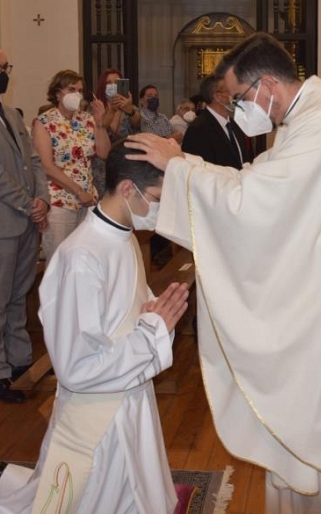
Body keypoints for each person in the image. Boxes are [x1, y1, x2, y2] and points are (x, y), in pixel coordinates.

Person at [126, 32, 321, 513]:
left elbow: (255, 205)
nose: (240, 108)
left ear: (266, 86)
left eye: (240, 97)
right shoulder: (309, 121)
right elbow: (256, 186)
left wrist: (178, 168)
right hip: (319, 292)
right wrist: (186, 167)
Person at [0, 142, 189, 513]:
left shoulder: (123, 235)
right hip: (99, 411)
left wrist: (151, 313)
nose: (162, 208)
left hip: (128, 389)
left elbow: (126, 311)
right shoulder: (80, 257)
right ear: (128, 189)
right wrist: (152, 333)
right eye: (158, 197)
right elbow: (77, 367)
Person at [0, 49, 49, 404]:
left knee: (19, 297)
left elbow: (33, 159)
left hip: (26, 221)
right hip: (6, 222)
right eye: (2, 68)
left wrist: (42, 199)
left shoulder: (10, 114)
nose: (5, 73)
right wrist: (25, 203)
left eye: (6, 67)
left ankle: (19, 363)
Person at [32, 69, 111, 262]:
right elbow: (47, 166)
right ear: (58, 93)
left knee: (84, 259)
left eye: (80, 90)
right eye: (71, 89)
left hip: (87, 200)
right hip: (60, 201)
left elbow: (104, 152)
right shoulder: (44, 122)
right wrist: (78, 191)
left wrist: (100, 123)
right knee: (60, 261)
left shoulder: (85, 119)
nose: (77, 94)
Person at [182, 74, 253, 168]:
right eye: (231, 90)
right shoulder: (198, 129)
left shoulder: (234, 124)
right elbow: (199, 171)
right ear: (217, 96)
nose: (236, 95)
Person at [92, 68, 141, 197]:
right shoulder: (96, 107)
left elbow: (137, 123)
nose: (112, 86)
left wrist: (130, 109)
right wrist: (112, 110)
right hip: (101, 167)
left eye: (116, 82)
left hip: (125, 164)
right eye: (109, 82)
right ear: (103, 86)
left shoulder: (129, 107)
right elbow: (101, 127)